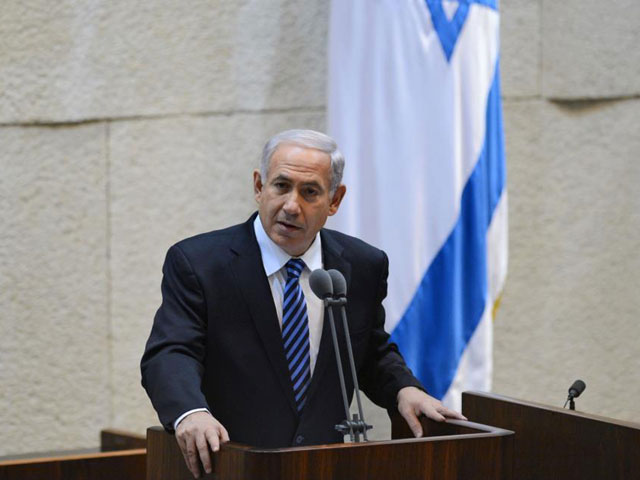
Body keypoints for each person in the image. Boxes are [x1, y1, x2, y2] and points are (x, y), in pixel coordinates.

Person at [141, 129, 465, 478]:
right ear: (258, 187)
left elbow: (369, 351)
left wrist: (404, 389)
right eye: (281, 186)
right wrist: (190, 412)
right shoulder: (200, 263)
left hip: (323, 466)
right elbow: (171, 353)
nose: (292, 206)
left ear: (334, 200)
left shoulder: (362, 264)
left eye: (309, 192)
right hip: (232, 464)